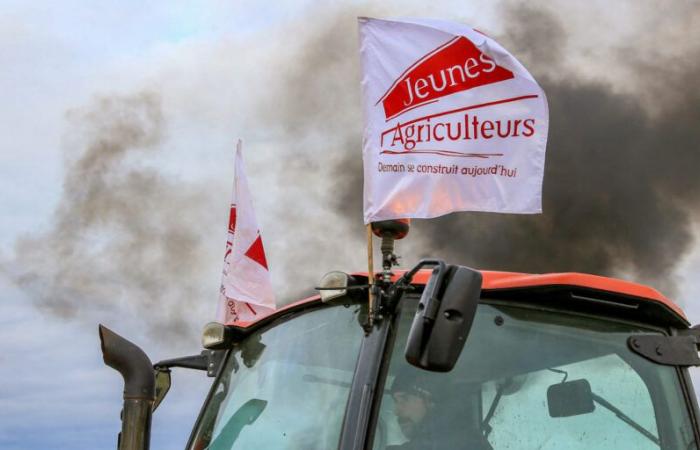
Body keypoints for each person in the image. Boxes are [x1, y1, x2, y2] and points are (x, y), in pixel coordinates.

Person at [386, 372, 493, 450]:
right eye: (395, 401)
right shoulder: (465, 436)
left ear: (429, 398)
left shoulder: (461, 442)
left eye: (404, 399)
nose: (396, 411)